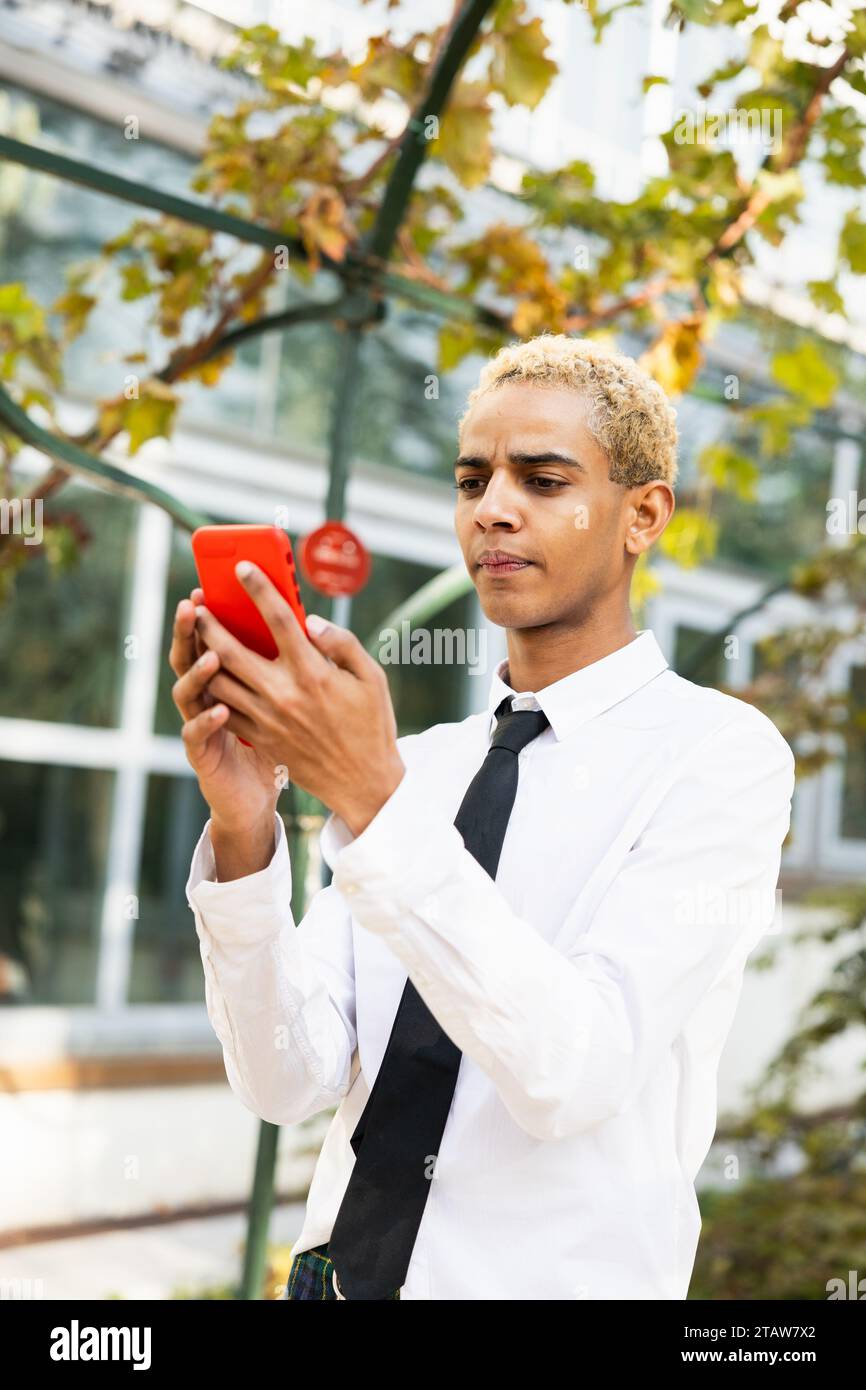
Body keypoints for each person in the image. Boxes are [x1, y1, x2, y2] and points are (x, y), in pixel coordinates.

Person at [172, 333, 795, 1300]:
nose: (493, 509)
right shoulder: (422, 766)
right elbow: (284, 1081)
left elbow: (572, 1073)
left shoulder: (722, 757)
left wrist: (374, 803)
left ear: (643, 515)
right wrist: (248, 834)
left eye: (543, 480)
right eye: (472, 480)